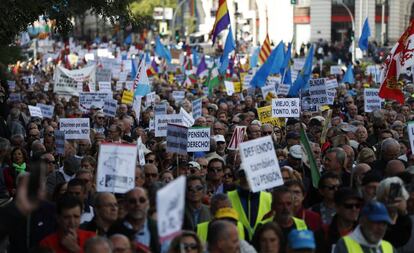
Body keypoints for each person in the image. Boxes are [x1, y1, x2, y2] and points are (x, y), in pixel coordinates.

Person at [108, 187, 160, 253]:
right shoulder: (114, 228)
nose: (137, 204)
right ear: (126, 205)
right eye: (132, 201)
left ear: (148, 204)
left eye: (142, 200)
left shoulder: (158, 229)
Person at [228, 167, 272, 240]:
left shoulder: (269, 198)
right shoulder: (228, 197)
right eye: (243, 175)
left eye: (250, 175)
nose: (246, 178)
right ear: (239, 178)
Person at [261, 186, 307, 253]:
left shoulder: (303, 224)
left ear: (294, 205)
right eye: (280, 204)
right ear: (273, 206)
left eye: (289, 204)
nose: (285, 208)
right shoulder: (262, 226)